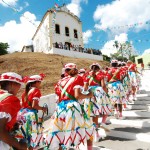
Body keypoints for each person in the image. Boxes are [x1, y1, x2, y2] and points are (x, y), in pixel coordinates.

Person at [46, 63, 94, 150]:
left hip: (61, 108)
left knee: (60, 132)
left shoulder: (60, 81)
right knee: (88, 128)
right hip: (73, 108)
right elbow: (77, 95)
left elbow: (58, 96)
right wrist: (89, 95)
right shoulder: (77, 78)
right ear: (75, 70)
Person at [0, 72, 32, 150]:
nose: (19, 88)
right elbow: (1, 130)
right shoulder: (10, 100)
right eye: (19, 85)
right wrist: (19, 146)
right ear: (12, 84)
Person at [16, 74, 47, 148]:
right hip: (30, 116)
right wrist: (43, 108)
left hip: (22, 115)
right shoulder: (36, 91)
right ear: (36, 82)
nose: (40, 84)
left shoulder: (25, 92)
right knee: (33, 136)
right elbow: (34, 106)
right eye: (39, 82)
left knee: (25, 136)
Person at [83, 63, 112, 134]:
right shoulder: (101, 75)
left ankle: (95, 131)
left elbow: (85, 87)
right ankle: (102, 123)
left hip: (90, 94)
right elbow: (103, 86)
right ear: (98, 68)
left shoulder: (87, 75)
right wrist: (106, 93)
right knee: (104, 108)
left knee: (92, 112)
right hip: (99, 93)